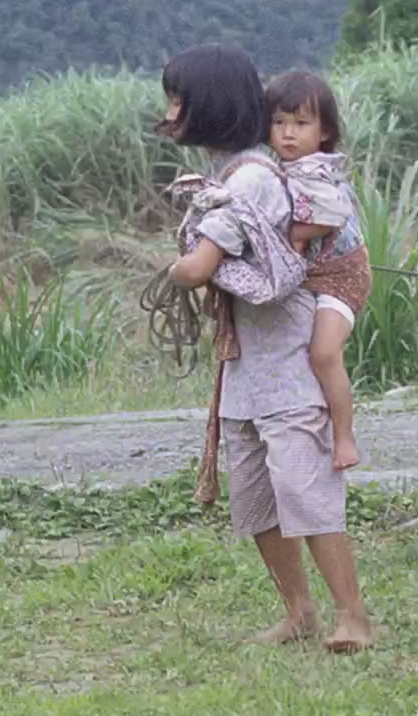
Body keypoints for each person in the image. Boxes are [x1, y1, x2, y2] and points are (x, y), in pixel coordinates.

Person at [157, 43, 373, 654]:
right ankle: (299, 612)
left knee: (304, 488)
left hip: (289, 358)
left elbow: (199, 267)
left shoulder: (250, 179)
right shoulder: (231, 170)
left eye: (179, 100)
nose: (171, 112)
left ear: (208, 105)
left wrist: (173, 269)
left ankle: (351, 616)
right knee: (257, 495)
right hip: (248, 362)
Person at [263, 69, 371, 472]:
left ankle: (344, 437)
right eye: (279, 123)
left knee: (324, 353)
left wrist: (284, 234)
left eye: (301, 123)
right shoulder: (274, 170)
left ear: (324, 131)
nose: (289, 133)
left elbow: (327, 218)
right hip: (310, 276)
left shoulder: (318, 171)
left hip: (342, 276)